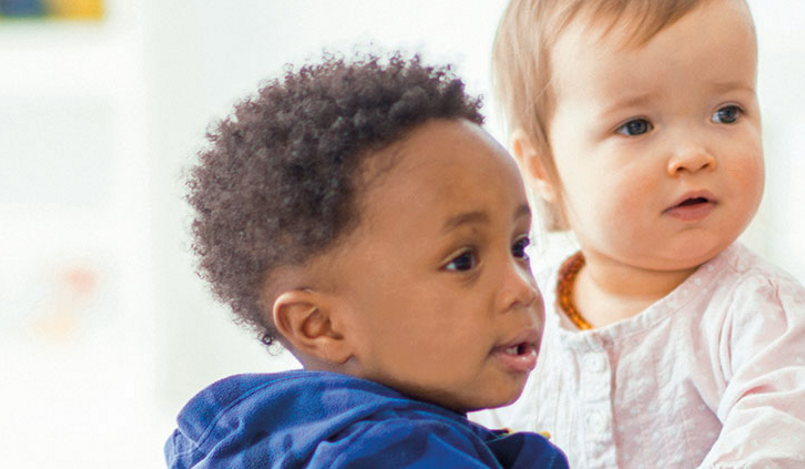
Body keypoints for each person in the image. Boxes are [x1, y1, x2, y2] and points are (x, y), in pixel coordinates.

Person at [475, 0, 805, 467]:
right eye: (637, 126)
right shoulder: (515, 305)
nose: (694, 155)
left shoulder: (760, 314)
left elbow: (785, 441)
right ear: (540, 167)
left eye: (726, 113)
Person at [164, 51, 568, 468]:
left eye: (519, 247)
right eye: (462, 261)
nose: (522, 288)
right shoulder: (399, 453)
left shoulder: (273, 441)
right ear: (321, 325)